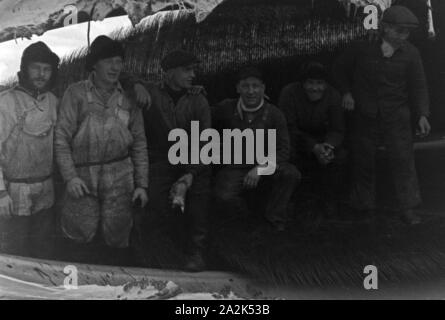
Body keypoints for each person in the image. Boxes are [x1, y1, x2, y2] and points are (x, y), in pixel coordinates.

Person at [333, 5, 431, 224]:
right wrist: (346, 93)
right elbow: (339, 70)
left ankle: (408, 208)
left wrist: (423, 114)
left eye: (407, 32)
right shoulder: (361, 48)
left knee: (404, 162)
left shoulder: (412, 53)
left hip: (397, 116)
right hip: (365, 115)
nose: (403, 36)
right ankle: (363, 208)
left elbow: (419, 86)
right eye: (399, 31)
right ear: (385, 28)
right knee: (363, 161)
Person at [55, 36, 148, 257]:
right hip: (83, 177)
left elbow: (140, 144)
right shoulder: (75, 93)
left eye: (119, 61)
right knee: (79, 235)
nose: (115, 67)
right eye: (108, 61)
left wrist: (142, 185)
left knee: (117, 236)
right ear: (94, 64)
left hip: (121, 178)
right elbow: (61, 140)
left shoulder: (129, 97)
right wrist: (70, 178)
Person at [139, 49, 211, 272]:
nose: (192, 76)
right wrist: (136, 85)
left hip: (193, 160)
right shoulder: (152, 93)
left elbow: (205, 144)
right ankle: (161, 253)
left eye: (193, 71)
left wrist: (189, 174)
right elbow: (122, 76)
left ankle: (196, 253)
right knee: (155, 200)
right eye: (186, 70)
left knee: (198, 200)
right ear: (170, 72)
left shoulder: (198, 100)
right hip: (162, 159)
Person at [212, 67, 300, 232]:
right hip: (236, 165)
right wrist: (194, 92)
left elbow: (283, 150)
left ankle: (274, 218)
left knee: (291, 173)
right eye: (245, 86)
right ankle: (245, 218)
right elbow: (204, 114)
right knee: (222, 196)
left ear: (263, 88)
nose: (251, 91)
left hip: (265, 164)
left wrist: (260, 169)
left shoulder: (275, 114)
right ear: (238, 88)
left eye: (256, 86)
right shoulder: (226, 108)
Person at [0, 42, 60, 258]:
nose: (41, 74)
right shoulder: (7, 102)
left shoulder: (52, 102)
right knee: (15, 255)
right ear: (25, 69)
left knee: (44, 252)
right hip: (15, 193)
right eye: (36, 68)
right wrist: (1, 194)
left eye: (47, 69)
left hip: (46, 190)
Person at [278, 62, 346, 216]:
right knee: (288, 155)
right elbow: (288, 127)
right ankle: (291, 199)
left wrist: (328, 147)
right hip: (296, 140)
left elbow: (337, 129)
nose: (315, 88)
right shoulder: (289, 93)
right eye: (310, 82)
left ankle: (329, 200)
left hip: (323, 141)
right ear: (303, 83)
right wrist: (313, 147)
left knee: (340, 157)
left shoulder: (333, 95)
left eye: (320, 83)